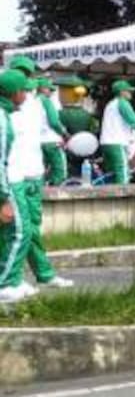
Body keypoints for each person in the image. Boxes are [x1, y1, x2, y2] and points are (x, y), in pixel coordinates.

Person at [6, 57, 70, 293]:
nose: (24, 77)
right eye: (19, 73)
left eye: (27, 73)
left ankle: (42, 274)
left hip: (33, 172)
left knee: (31, 228)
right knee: (18, 230)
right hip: (13, 175)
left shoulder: (35, 102)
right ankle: (11, 280)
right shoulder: (7, 105)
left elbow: (42, 132)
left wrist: (59, 138)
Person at [0, 70, 32, 302]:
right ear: (14, 93)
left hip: (10, 180)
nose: (26, 95)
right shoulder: (2, 119)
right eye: (24, 90)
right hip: (5, 184)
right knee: (19, 232)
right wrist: (4, 198)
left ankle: (13, 279)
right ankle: (5, 283)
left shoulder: (5, 114)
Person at [99, 79, 135, 184]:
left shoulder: (110, 104)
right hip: (117, 142)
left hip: (105, 143)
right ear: (122, 92)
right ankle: (125, 194)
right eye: (128, 91)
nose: (130, 93)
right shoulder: (123, 103)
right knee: (123, 172)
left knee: (111, 174)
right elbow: (134, 121)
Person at [36, 78, 67, 186]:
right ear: (42, 89)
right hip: (52, 140)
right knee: (60, 172)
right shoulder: (46, 101)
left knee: (42, 171)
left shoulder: (32, 101)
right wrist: (64, 133)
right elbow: (54, 122)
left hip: (38, 141)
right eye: (49, 89)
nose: (51, 92)